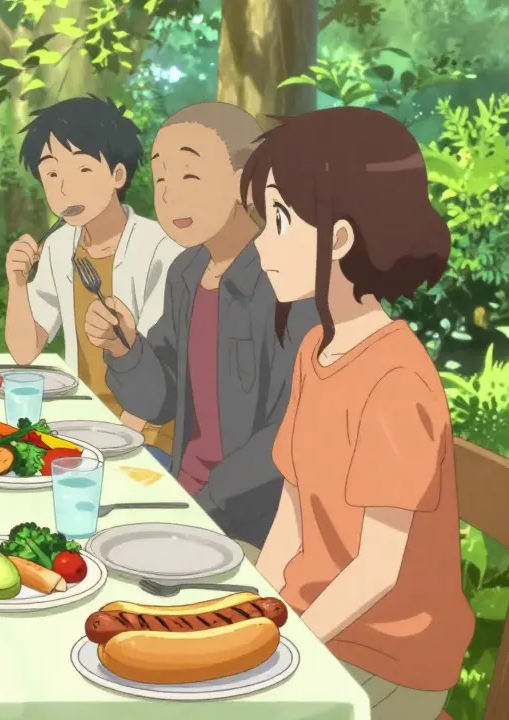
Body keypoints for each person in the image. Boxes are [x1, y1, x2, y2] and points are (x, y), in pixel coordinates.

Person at [247, 106, 473, 719]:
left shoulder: (397, 379)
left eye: (278, 221)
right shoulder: (313, 349)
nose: (262, 243)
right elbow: (291, 512)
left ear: (340, 238)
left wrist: (282, 650)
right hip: (314, 620)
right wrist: (257, 612)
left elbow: (378, 568)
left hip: (387, 655)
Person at [83, 102, 318, 561]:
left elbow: (288, 435)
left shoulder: (286, 280)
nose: (170, 198)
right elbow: (160, 400)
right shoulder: (187, 272)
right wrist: (125, 348)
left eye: (190, 176)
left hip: (250, 525)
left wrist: (200, 506)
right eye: (161, 180)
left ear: (246, 179)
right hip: (180, 489)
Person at [4, 95, 183, 465]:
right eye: (51, 174)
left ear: (118, 175)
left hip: (147, 436)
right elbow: (24, 351)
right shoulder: (58, 246)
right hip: (80, 426)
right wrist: (17, 283)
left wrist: (108, 442)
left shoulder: (160, 250)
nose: (64, 188)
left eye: (82, 170)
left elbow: (156, 383)